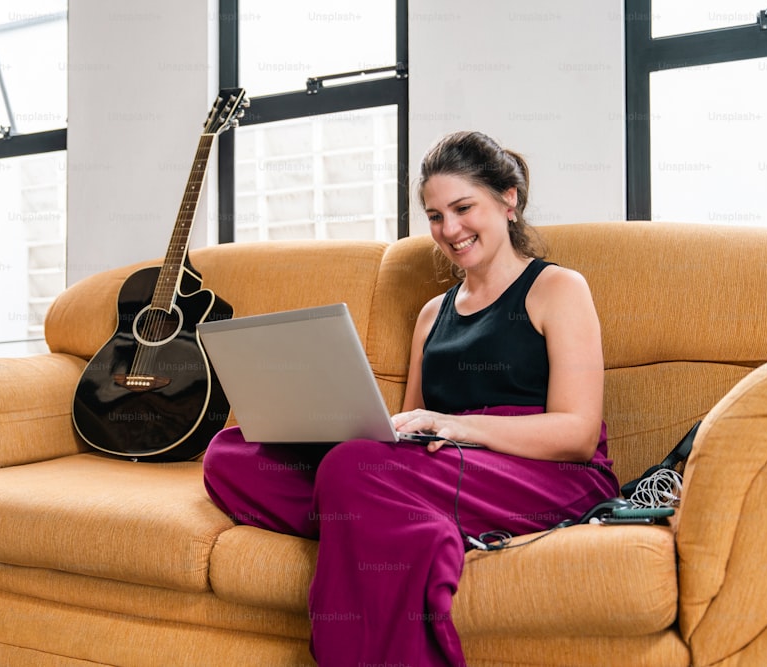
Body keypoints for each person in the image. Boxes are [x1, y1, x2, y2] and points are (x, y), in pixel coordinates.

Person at [202, 130, 620, 666]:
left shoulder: (558, 289)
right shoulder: (431, 315)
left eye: (463, 208)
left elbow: (578, 434)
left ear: (508, 199)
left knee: (355, 470)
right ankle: (400, 519)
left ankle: (374, 512)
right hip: (441, 468)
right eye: (435, 216)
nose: (450, 230)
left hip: (544, 471)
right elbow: (413, 429)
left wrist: (456, 426)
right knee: (232, 453)